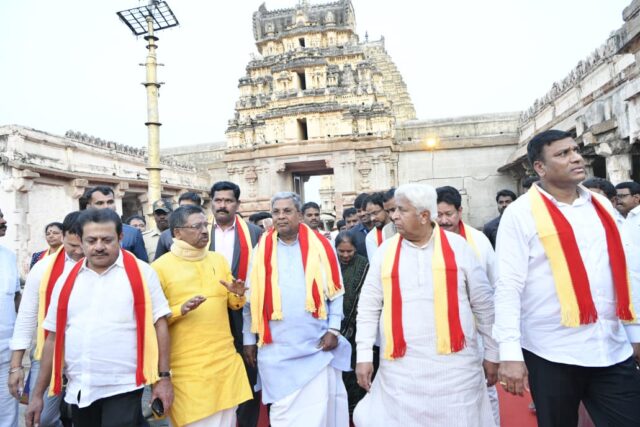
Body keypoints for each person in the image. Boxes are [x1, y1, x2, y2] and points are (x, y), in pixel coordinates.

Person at [493, 130, 640, 427]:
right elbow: (508, 286)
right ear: (540, 168)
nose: (575, 157)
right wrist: (509, 353)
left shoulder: (603, 208)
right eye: (562, 154)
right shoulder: (520, 214)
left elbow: (624, 272)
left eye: (575, 150)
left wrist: (634, 332)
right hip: (552, 351)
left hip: (610, 346)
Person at [353, 183, 498, 426]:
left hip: (456, 368)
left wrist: (493, 353)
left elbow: (483, 305)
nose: (394, 216)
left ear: (423, 216)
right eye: (393, 210)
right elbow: (368, 306)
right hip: (401, 368)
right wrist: (364, 355)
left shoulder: (459, 247)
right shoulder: (385, 251)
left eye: (401, 210)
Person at [24, 208, 173, 427]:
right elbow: (52, 339)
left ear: (120, 238)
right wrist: (37, 395)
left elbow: (160, 324)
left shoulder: (142, 273)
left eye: (107, 239)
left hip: (125, 386)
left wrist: (163, 378)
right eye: (91, 240)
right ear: (81, 241)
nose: (99, 246)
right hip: (79, 389)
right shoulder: (65, 281)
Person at [242, 192, 351, 427]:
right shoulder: (261, 248)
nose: (281, 217)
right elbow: (251, 299)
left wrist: (334, 329)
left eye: (287, 211)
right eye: (276, 212)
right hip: (275, 349)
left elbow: (337, 292)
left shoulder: (322, 246)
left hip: (315, 345)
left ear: (299, 215)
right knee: (283, 414)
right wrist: (248, 338)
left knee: (317, 412)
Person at [152, 205, 252, 426]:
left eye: (205, 225)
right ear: (177, 232)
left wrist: (237, 295)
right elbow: (152, 322)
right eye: (196, 226)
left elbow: (234, 305)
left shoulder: (218, 260)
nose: (204, 231)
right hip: (188, 370)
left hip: (225, 362)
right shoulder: (159, 268)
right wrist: (180, 310)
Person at [9, 212, 83, 427]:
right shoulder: (44, 267)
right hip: (48, 352)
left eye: (82, 246)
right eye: (71, 246)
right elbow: (26, 315)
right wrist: (16, 366)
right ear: (64, 239)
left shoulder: (99, 264)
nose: (78, 252)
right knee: (43, 418)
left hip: (88, 353)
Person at [436, 185, 500, 424]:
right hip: (439, 332)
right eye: (438, 214)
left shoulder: (479, 241)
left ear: (460, 211)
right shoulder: (425, 241)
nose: (443, 220)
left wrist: (494, 346)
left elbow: (496, 285)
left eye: (448, 214)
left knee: (486, 388)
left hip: (477, 332)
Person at [208, 181, 263, 427]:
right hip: (208, 315)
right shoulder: (195, 231)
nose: (222, 205)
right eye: (218, 200)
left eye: (228, 201)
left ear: (237, 204)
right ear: (211, 203)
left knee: (248, 368)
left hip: (246, 314)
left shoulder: (255, 234)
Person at [334, 232, 369, 416]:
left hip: (356, 327)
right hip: (333, 327)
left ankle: (355, 408)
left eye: (350, 251)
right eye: (342, 251)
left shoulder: (363, 265)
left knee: (353, 367)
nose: (346, 255)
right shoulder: (331, 263)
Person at [81, 186, 148, 262]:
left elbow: (141, 266)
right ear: (89, 207)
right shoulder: (81, 231)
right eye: (100, 203)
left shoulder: (133, 233)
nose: (106, 206)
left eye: (110, 202)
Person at [1, 208, 21, 427]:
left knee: (7, 416)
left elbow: (16, 299)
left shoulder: (8, 256)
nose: (3, 220)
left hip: (5, 356)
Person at [154, 193, 202, 260]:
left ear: (199, 209)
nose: (184, 211)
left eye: (189, 208)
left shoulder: (207, 231)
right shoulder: (166, 235)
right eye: (182, 207)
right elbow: (158, 264)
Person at [364, 193, 390, 262]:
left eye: (375, 213)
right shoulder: (371, 237)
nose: (372, 218)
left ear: (385, 208)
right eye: (369, 215)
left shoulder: (400, 228)